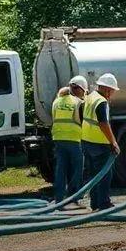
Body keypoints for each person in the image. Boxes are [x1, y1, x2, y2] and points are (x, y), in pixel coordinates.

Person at [82, 73, 121, 211]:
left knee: (93, 174)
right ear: (107, 89)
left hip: (86, 141)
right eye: (112, 91)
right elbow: (103, 123)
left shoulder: (91, 97)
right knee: (105, 173)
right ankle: (104, 203)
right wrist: (113, 142)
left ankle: (95, 203)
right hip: (99, 143)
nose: (112, 94)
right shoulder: (101, 102)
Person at [51, 75, 88, 206]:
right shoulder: (78, 103)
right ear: (80, 89)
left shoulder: (56, 101)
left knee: (61, 169)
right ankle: (74, 196)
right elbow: (84, 121)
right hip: (73, 139)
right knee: (77, 169)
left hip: (58, 139)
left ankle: (59, 199)